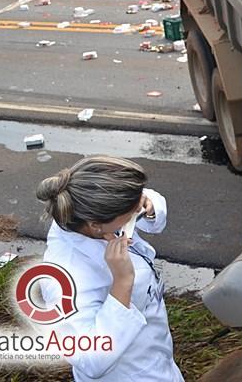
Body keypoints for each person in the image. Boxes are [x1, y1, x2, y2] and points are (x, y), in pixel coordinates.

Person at [36, 156, 184, 381]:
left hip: (154, 356)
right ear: (96, 224)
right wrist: (122, 282)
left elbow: (139, 198)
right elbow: (90, 360)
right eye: (131, 213)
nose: (137, 211)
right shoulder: (65, 279)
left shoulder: (81, 211)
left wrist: (149, 206)